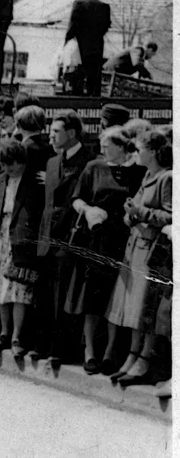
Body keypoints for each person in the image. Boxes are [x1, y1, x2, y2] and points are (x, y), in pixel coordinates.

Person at [64, 126, 146, 374]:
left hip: (123, 240)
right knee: (91, 296)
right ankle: (90, 351)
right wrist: (87, 210)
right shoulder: (94, 168)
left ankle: (110, 352)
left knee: (115, 296)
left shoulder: (138, 172)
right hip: (95, 238)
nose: (102, 148)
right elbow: (77, 198)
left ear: (121, 147)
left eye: (107, 144)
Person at [103, 129, 171, 386]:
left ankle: (143, 358)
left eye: (140, 149)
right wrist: (130, 214)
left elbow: (170, 216)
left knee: (146, 308)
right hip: (136, 248)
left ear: (152, 152)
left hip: (152, 252)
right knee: (133, 307)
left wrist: (139, 211)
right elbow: (139, 213)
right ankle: (132, 355)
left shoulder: (167, 178)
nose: (136, 154)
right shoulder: (147, 176)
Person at [0, 139, 44, 358]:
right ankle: (4, 333)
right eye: (4, 164)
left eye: (12, 164)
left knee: (19, 291)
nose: (8, 169)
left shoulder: (34, 182)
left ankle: (17, 337)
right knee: (1, 289)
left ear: (22, 161)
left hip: (21, 241)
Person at [33, 113, 90, 366]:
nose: (51, 136)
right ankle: (43, 345)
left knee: (63, 297)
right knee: (45, 295)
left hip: (69, 238)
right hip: (48, 238)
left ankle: (60, 350)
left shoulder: (88, 162)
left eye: (57, 131)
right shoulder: (53, 161)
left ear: (73, 134)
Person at [65, 0, 111, 95]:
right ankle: (93, 102)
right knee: (94, 77)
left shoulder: (79, 4)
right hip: (97, 47)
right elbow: (106, 26)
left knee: (77, 76)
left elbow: (72, 26)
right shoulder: (105, 7)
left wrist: (67, 44)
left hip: (80, 47)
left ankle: (77, 101)